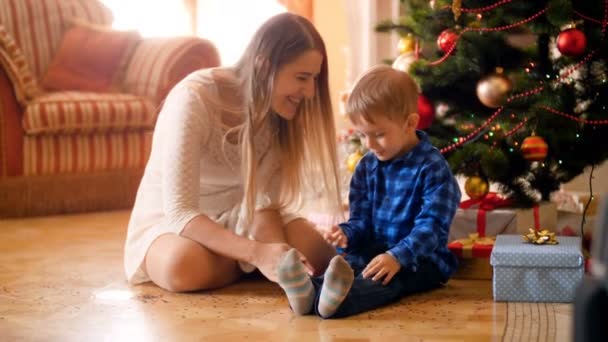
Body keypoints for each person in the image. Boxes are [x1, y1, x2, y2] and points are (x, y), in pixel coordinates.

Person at [123, 13, 343, 292]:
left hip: (242, 217)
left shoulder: (281, 111)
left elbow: (264, 205)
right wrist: (256, 254)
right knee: (182, 267)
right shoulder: (194, 98)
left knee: (319, 253)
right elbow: (181, 212)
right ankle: (244, 265)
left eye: (314, 78)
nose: (310, 92)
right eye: (302, 77)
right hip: (177, 222)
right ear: (264, 67)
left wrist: (279, 256)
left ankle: (240, 263)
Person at [276, 65, 461, 318]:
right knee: (349, 264)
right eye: (363, 135)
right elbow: (360, 221)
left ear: (410, 123)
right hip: (373, 251)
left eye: (379, 134)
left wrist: (397, 256)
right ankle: (308, 292)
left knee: (385, 279)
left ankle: (339, 303)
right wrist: (346, 235)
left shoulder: (433, 168)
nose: (370, 144)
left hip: (420, 260)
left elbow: (432, 228)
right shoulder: (367, 166)